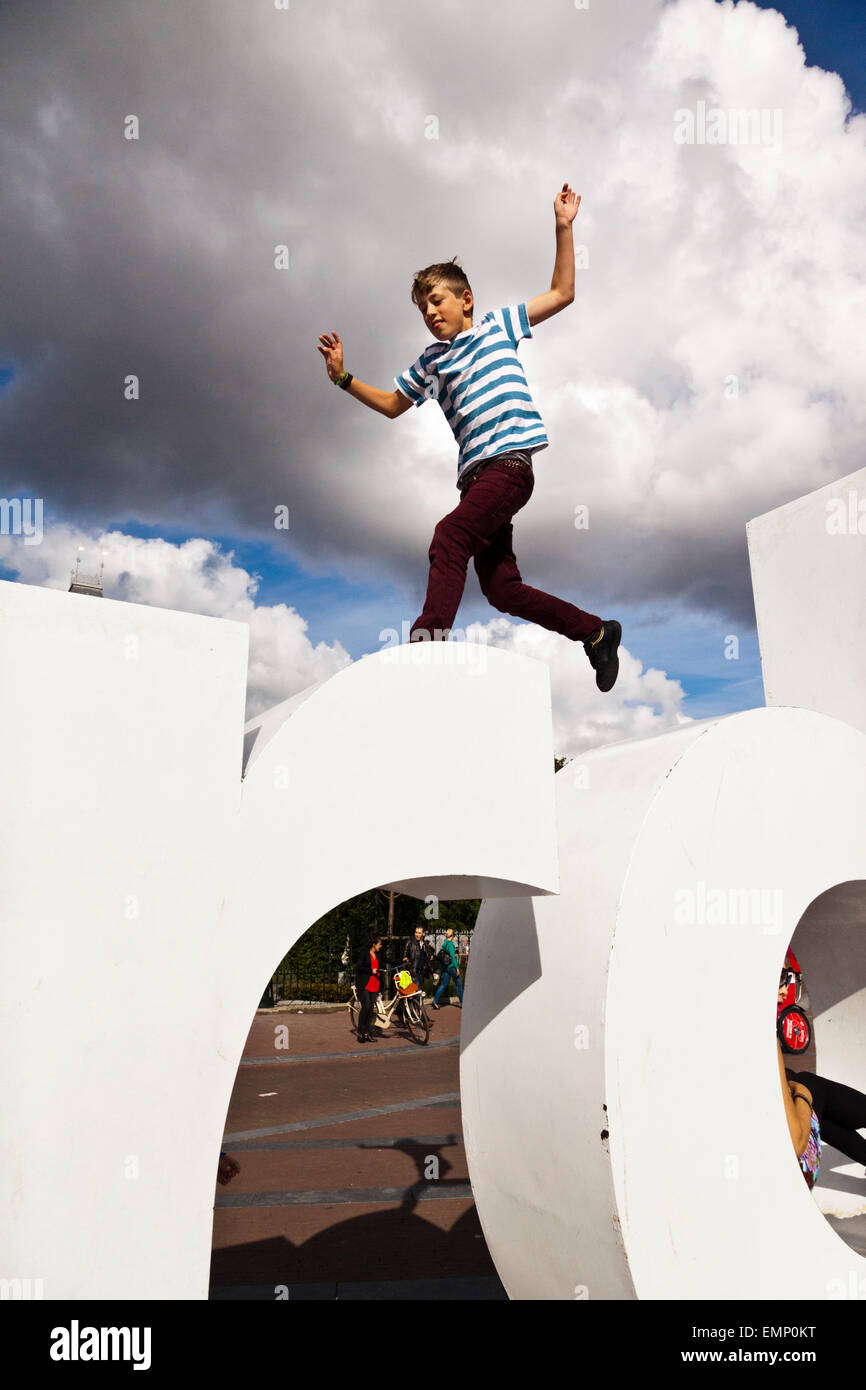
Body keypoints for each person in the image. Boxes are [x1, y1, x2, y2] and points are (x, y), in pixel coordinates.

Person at [316, 182, 621, 692]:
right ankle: (595, 633)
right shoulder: (431, 363)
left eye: (437, 301)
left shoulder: (499, 326)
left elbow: (563, 293)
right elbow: (393, 406)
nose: (431, 313)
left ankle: (426, 646)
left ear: (466, 299)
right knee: (502, 589)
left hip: (509, 467)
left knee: (450, 537)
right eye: (422, 310)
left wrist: (563, 227)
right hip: (476, 481)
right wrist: (344, 379)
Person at [777, 982, 866, 1189]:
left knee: (817, 1114)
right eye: (782, 980)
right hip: (801, 1167)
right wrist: (801, 1093)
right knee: (808, 1085)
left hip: (791, 1166)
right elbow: (798, 1143)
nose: (784, 989)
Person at [354, 932, 383, 1044]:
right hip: (364, 985)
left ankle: (368, 1033)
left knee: (371, 1009)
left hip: (374, 985)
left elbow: (388, 961)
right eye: (379, 944)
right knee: (365, 1007)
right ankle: (361, 1033)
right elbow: (359, 968)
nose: (381, 946)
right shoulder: (364, 954)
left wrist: (403, 960)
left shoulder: (379, 955)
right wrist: (371, 970)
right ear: (374, 944)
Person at [431, 928, 463, 1010]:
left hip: (445, 967)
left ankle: (435, 1001)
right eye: (454, 935)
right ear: (452, 936)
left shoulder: (444, 944)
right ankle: (462, 1003)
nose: (454, 937)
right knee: (459, 984)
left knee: (443, 985)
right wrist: (457, 968)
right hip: (451, 967)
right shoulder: (451, 945)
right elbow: (453, 957)